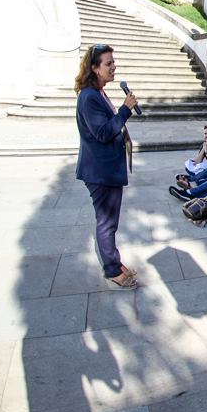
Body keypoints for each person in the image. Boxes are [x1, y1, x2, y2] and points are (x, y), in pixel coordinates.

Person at [75, 44, 139, 289]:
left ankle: (115, 260)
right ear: (94, 68)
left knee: (110, 221)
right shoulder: (89, 96)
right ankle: (112, 269)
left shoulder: (98, 92)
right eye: (108, 63)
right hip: (100, 171)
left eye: (114, 62)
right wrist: (125, 109)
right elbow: (102, 132)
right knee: (106, 222)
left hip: (107, 168)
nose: (114, 67)